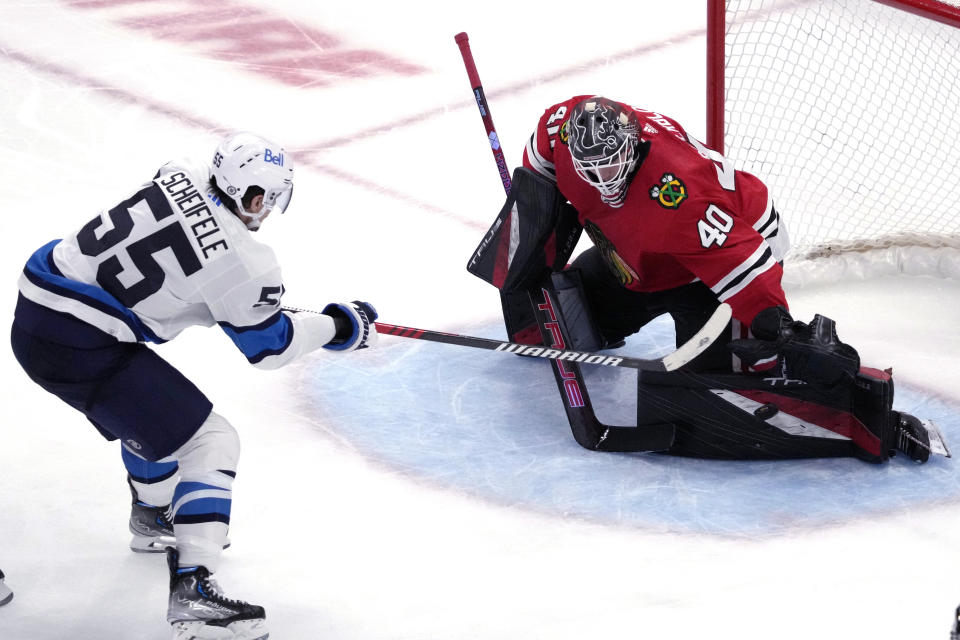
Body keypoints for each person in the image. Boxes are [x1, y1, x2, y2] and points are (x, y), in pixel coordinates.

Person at [10, 132, 378, 640]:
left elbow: (196, 265)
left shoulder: (177, 169)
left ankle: (153, 514)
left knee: (157, 415)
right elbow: (268, 348)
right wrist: (341, 327)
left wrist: (256, 309)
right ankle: (194, 587)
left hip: (38, 310)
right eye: (267, 199)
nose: (267, 209)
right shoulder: (246, 264)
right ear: (252, 196)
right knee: (212, 441)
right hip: (81, 343)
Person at [468, 95, 947, 464]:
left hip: (722, 262)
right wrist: (530, 241)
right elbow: (539, 174)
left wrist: (775, 326)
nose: (601, 180)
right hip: (638, 259)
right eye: (589, 169)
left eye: (611, 165)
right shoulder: (560, 130)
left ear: (633, 145)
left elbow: (739, 258)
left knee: (728, 391)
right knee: (544, 325)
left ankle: (863, 419)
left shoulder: (678, 194)